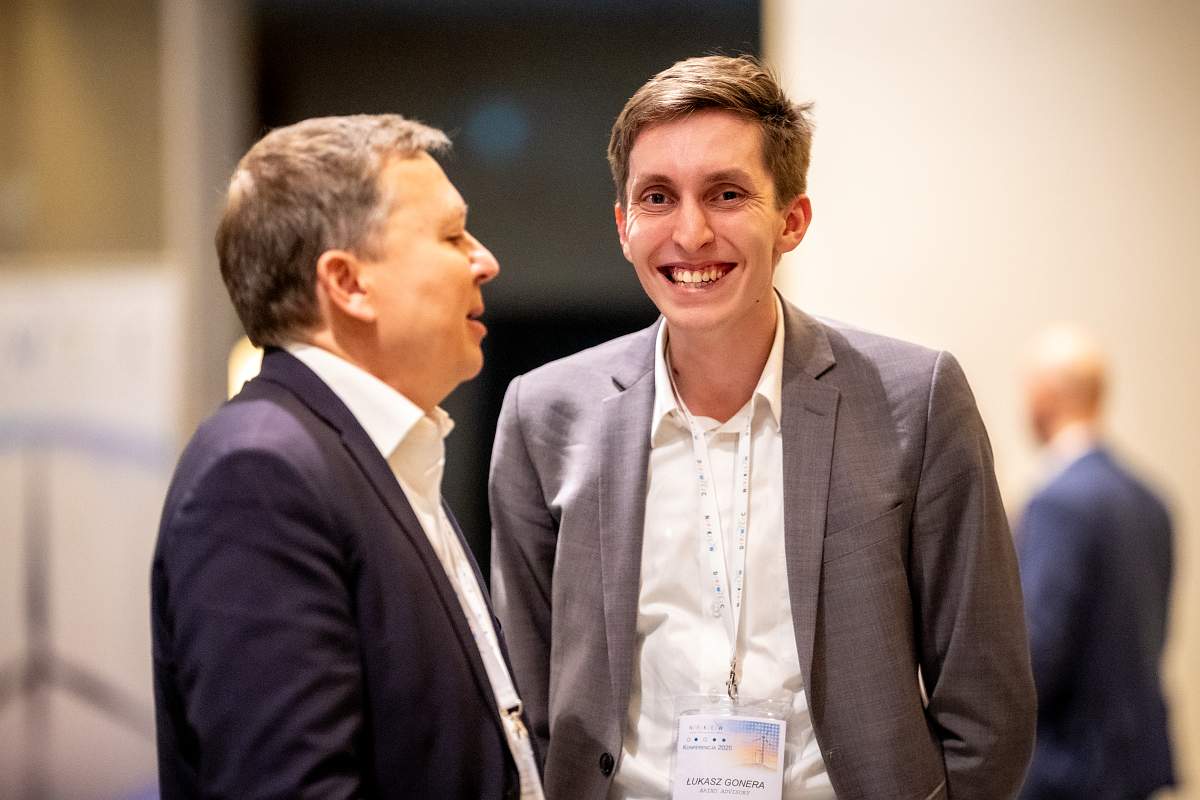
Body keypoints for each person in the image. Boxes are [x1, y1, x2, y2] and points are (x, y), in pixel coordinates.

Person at [489, 55, 1034, 800]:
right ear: (623, 225)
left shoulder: (916, 398)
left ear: (792, 220)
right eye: (657, 197)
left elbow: (988, 703)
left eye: (727, 194)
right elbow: (528, 698)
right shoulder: (545, 414)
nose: (690, 233)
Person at [151, 115, 544, 799]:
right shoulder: (259, 473)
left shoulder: (378, 455)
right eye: (452, 235)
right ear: (348, 282)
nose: (485, 261)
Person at [1017, 326, 1174, 799]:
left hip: (1069, 767)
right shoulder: (1152, 501)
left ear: (1044, 397)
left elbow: (1038, 650)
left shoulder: (1057, 503)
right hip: (1134, 763)